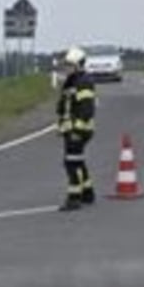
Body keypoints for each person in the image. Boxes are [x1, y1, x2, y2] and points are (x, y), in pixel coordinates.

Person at [56, 46, 96, 211]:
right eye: (67, 65)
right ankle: (87, 192)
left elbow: (86, 109)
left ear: (79, 65)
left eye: (70, 65)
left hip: (79, 130)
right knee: (77, 161)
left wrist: (76, 132)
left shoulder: (83, 82)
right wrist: (62, 125)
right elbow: (64, 106)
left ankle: (74, 198)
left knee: (71, 163)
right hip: (71, 129)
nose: (67, 68)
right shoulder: (71, 81)